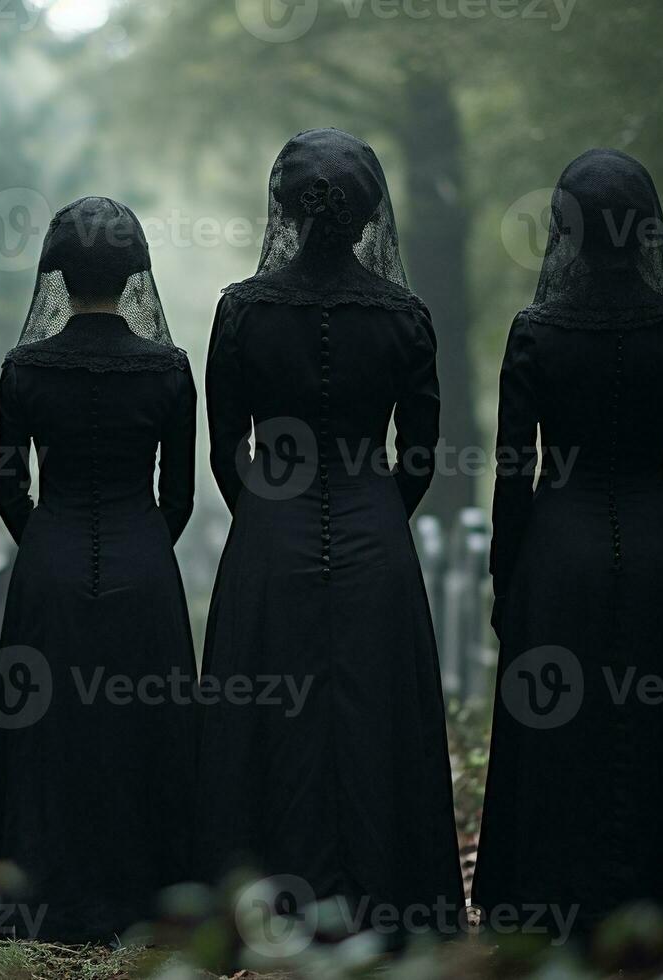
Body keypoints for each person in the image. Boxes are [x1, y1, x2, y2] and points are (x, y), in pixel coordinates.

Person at [195, 129, 463, 940]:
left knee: (264, 722)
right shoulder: (405, 318)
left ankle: (265, 912)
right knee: (378, 718)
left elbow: (223, 449)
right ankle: (390, 911)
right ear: (368, 214)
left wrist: (268, 513)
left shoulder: (242, 310)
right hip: (375, 534)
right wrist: (376, 508)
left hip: (269, 535)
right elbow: (419, 456)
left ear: (282, 207)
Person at [474, 148, 663, 952]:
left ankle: (553, 906)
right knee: (655, 725)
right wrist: (659, 529)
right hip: (655, 550)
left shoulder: (538, 333)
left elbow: (515, 472)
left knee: (557, 726)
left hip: (556, 552)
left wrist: (504, 576)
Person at [0, 197, 197, 941]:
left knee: (48, 730)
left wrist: (47, 542)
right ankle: (150, 900)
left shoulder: (24, 367)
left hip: (50, 560)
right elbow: (181, 497)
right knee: (145, 731)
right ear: (135, 271)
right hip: (145, 561)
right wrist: (141, 541)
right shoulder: (168, 368)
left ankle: (42, 896)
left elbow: (9, 490)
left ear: (58, 274)